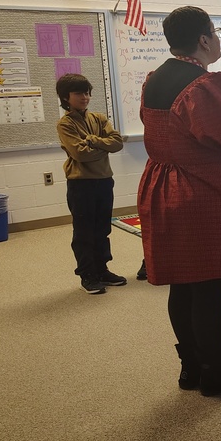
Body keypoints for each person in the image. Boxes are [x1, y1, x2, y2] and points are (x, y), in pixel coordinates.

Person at [138, 6, 221, 396]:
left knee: (185, 284)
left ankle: (192, 367)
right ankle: (217, 373)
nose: (217, 38)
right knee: (210, 288)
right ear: (203, 39)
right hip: (203, 193)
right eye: (214, 31)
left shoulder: (154, 79)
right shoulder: (209, 84)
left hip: (165, 187)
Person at [55, 73, 126, 295]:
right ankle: (87, 274)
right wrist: (103, 147)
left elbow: (117, 143)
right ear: (66, 97)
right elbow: (80, 154)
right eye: (78, 93)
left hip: (104, 180)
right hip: (81, 184)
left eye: (86, 92)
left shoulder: (98, 118)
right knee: (84, 231)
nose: (84, 97)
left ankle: (102, 269)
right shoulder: (65, 124)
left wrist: (93, 140)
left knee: (102, 229)